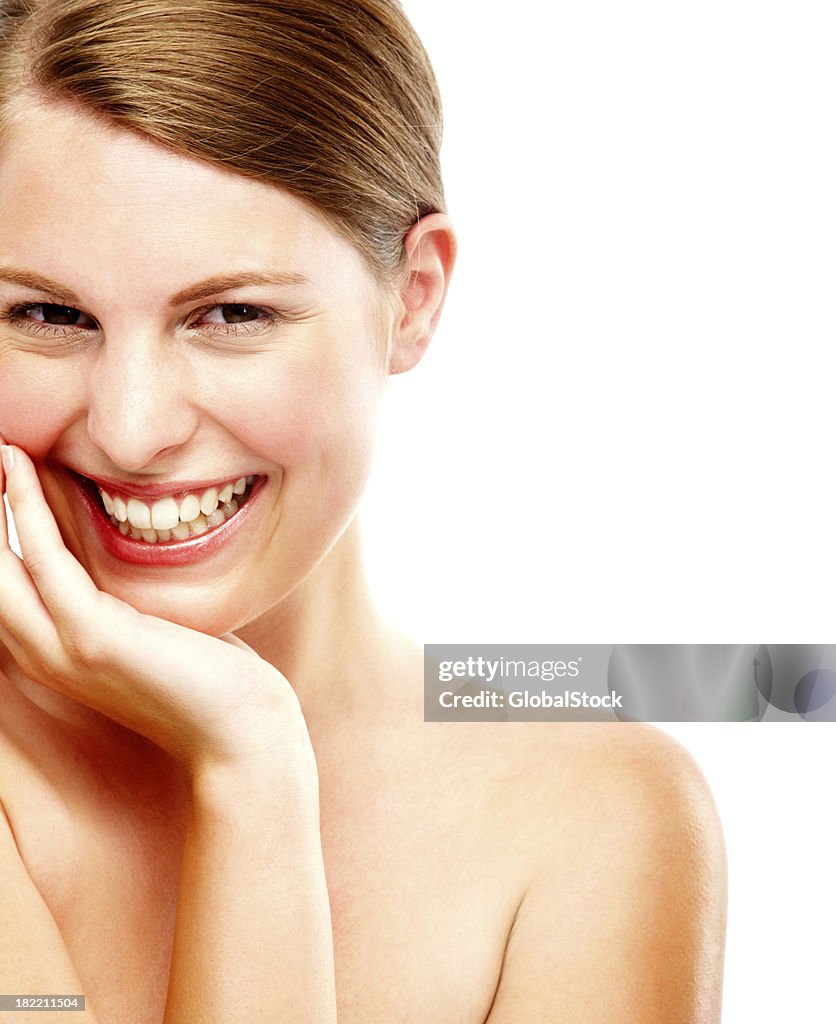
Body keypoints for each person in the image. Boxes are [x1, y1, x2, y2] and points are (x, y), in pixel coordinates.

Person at [0, 1, 727, 1021]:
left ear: (413, 297)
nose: (129, 429)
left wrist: (248, 763)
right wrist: (248, 756)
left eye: (232, 314)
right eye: (49, 314)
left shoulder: (594, 818)